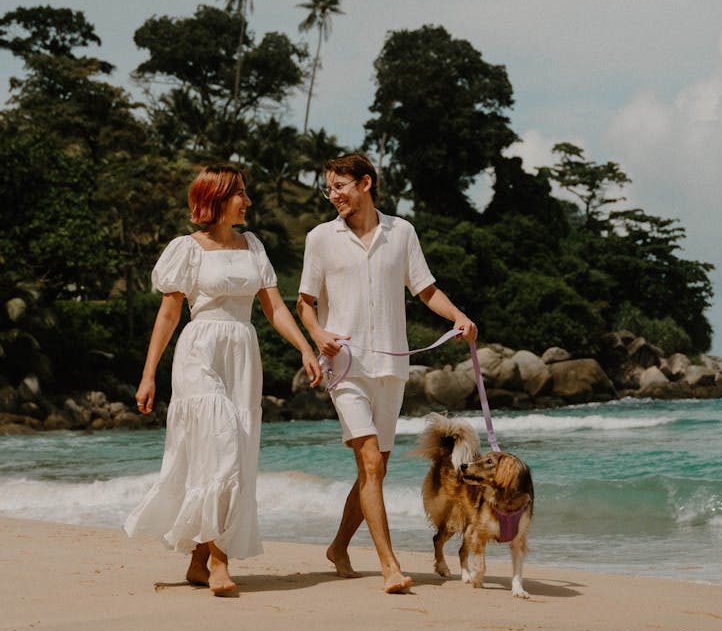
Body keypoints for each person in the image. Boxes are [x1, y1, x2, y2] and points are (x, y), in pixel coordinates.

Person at [125, 164, 321, 596]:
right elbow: (169, 314)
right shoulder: (186, 249)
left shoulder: (253, 246)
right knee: (222, 448)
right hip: (200, 352)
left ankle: (198, 559)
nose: (248, 202)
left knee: (232, 452)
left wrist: (305, 347)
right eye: (241, 194)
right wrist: (148, 373)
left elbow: (275, 309)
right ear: (215, 199)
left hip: (243, 354)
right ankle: (218, 561)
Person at [297, 152, 477, 593]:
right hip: (345, 368)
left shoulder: (402, 233)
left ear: (365, 183)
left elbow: (425, 288)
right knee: (372, 464)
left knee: (371, 472)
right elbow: (303, 301)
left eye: (339, 187)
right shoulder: (320, 238)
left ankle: (339, 547)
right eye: (329, 188)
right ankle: (390, 565)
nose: (333, 196)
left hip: (393, 367)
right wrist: (318, 333)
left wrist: (458, 317)